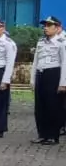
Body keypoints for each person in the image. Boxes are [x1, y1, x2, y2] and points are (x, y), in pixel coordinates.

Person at [31, 16, 66, 145]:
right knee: (40, 106)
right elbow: (36, 61)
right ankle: (42, 134)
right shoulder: (41, 42)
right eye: (44, 26)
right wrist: (33, 79)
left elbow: (64, 63)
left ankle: (52, 135)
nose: (45, 28)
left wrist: (63, 83)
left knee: (53, 106)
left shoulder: (61, 42)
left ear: (57, 28)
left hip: (54, 74)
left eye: (49, 26)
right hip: (41, 73)